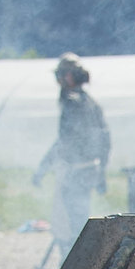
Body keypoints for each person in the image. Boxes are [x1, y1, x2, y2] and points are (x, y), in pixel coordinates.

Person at [32, 53, 108, 257]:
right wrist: (101, 172)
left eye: (59, 76)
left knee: (73, 223)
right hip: (88, 169)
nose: (57, 81)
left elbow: (63, 141)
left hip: (75, 171)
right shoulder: (91, 103)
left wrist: (42, 169)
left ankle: (78, 268)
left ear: (68, 76)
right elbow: (105, 140)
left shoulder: (72, 103)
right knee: (78, 219)